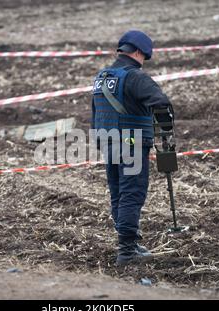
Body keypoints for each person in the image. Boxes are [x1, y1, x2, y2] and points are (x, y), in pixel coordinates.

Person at [91, 30, 174, 266]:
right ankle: (127, 251)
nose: (143, 63)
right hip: (131, 143)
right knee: (132, 194)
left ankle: (128, 242)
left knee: (118, 193)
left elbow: (95, 115)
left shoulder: (101, 77)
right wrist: (167, 136)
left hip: (109, 142)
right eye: (144, 58)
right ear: (138, 52)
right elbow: (162, 103)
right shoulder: (136, 77)